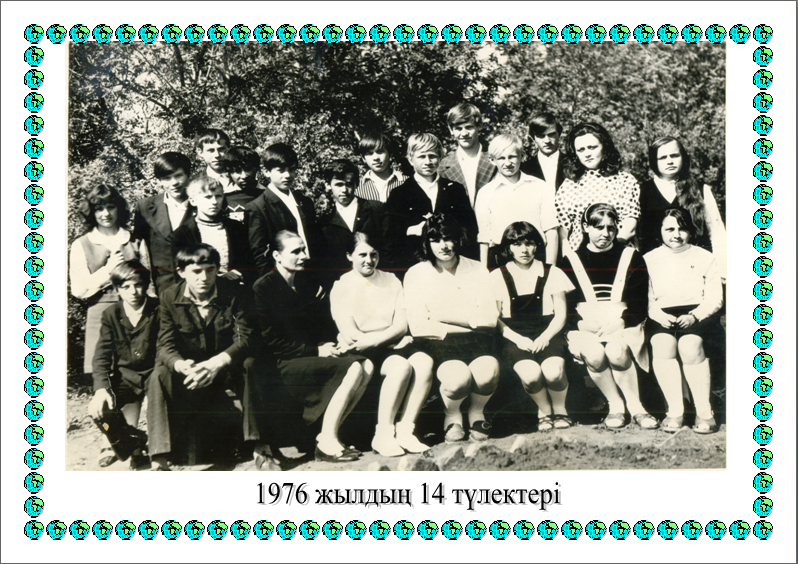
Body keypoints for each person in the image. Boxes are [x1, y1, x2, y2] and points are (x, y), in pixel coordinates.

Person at [253, 231, 373, 462]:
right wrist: (316, 350)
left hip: (307, 356)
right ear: (277, 256)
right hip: (283, 362)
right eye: (296, 251)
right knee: (353, 368)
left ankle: (328, 436)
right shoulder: (264, 287)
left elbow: (316, 325)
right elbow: (271, 342)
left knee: (366, 365)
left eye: (303, 249)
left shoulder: (305, 282)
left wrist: (328, 343)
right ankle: (327, 442)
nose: (303, 256)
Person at [146, 244, 265, 470]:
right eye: (196, 272)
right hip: (191, 373)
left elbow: (246, 338)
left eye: (210, 270)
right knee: (159, 375)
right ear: (182, 272)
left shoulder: (234, 293)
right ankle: (159, 459)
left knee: (250, 364)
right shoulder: (169, 297)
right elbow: (165, 344)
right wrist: (181, 365)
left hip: (227, 369)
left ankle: (260, 446)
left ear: (218, 270)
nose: (204, 278)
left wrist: (216, 363)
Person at [331, 232, 434, 456]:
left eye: (374, 254)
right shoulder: (341, 286)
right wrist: (388, 342)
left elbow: (401, 325)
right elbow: (351, 335)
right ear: (349, 256)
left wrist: (386, 340)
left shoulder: (391, 280)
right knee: (400, 366)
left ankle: (406, 431)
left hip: (389, 343)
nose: (369, 260)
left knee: (424, 361)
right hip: (364, 350)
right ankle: (383, 435)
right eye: (362, 255)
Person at [558, 204, 658, 430]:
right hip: (586, 325)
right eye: (598, 227)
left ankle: (637, 407)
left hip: (623, 322)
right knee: (594, 354)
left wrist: (620, 322)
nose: (605, 233)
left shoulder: (631, 256)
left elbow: (639, 303)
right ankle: (615, 405)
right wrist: (580, 324)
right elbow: (565, 305)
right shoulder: (569, 260)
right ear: (585, 227)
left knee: (616, 351)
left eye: (611, 228)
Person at [403, 214, 500, 443]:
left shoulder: (477, 269)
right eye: (436, 240)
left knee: (488, 372)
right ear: (427, 242)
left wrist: (441, 317)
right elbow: (418, 326)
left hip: (477, 342)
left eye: (448, 238)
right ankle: (452, 417)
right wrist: (470, 323)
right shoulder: (416, 273)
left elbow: (489, 319)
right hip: (438, 343)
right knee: (457, 379)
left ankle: (476, 413)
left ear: (458, 239)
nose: (444, 246)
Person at [645, 208, 724, 434]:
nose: (676, 235)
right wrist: (660, 316)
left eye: (682, 229)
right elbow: (647, 298)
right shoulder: (649, 259)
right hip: (663, 316)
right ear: (660, 231)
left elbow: (715, 298)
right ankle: (675, 410)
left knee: (689, 345)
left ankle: (704, 411)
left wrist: (694, 316)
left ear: (691, 231)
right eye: (670, 229)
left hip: (699, 314)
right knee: (662, 344)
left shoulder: (705, 257)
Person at [491, 222, 573, 430]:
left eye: (529, 244)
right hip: (514, 336)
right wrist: (518, 339)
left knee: (553, 372)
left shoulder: (552, 272)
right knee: (531, 375)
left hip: (548, 332)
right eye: (517, 244)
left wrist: (545, 337)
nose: (524, 250)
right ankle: (544, 410)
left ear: (537, 245)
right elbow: (495, 318)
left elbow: (561, 315)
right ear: (508, 248)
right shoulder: (497, 275)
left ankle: (560, 409)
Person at [70, 184, 148, 376]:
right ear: (91, 212)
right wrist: (108, 270)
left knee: (138, 372)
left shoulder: (135, 240)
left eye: (111, 207)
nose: (106, 213)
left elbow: (150, 283)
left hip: (135, 313)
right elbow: (78, 290)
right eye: (99, 209)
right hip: (100, 315)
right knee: (104, 375)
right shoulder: (81, 244)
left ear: (119, 209)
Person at [88, 260, 158, 469]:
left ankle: (143, 449)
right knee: (101, 413)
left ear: (146, 285)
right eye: (126, 287)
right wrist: (101, 389)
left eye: (138, 285)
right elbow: (101, 355)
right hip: (126, 379)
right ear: (117, 289)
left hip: (154, 375)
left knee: (160, 409)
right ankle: (131, 442)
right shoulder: (111, 314)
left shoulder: (159, 309)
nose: (133, 292)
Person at [383, 133, 479, 274]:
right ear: (410, 159)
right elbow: (390, 236)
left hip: (452, 265)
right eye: (421, 156)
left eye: (432, 156)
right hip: (415, 266)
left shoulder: (455, 190)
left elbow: (469, 229)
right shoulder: (399, 194)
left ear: (440, 158)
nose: (428, 161)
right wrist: (411, 230)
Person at [639, 137, 727, 281]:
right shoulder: (641, 191)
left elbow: (717, 233)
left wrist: (722, 271)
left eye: (674, 155)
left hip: (698, 271)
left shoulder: (700, 189)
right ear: (654, 161)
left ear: (683, 157)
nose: (669, 161)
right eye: (663, 157)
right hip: (657, 273)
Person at [474, 133, 559, 268]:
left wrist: (551, 268)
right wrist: (484, 271)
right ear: (492, 160)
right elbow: (484, 237)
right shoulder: (485, 193)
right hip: (501, 259)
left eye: (512, 157)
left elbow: (551, 231)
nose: (508, 163)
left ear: (522, 156)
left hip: (535, 256)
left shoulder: (540, 186)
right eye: (501, 158)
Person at [554, 122, 641, 253]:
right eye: (581, 150)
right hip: (580, 255)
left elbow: (630, 225)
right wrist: (570, 257)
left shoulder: (625, 181)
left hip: (618, 252)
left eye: (592, 147)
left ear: (604, 147)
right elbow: (563, 231)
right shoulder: (568, 185)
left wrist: (607, 252)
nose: (587, 154)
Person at [245, 143, 320, 276]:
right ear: (266, 172)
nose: (287, 175)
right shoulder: (258, 207)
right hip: (282, 277)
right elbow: (260, 255)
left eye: (291, 169)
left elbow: (315, 242)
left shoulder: (305, 202)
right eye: (280, 170)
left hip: (311, 273)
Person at [171, 174, 255, 287]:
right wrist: (218, 277)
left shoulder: (237, 228)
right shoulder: (183, 234)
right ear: (193, 201)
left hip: (234, 288)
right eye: (208, 197)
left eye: (218, 196)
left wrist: (239, 273)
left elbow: (249, 263)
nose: (214, 202)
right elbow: (181, 272)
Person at [132, 151, 193, 293]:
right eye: (166, 178)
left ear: (188, 174)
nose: (174, 183)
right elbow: (138, 248)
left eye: (179, 175)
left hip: (198, 284)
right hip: (163, 288)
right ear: (159, 181)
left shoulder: (203, 203)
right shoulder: (145, 207)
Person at [319, 159, 383, 285]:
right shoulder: (324, 222)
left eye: (348, 184)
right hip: (343, 285)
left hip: (377, 282)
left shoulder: (376, 209)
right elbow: (325, 261)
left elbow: (388, 249)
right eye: (338, 184)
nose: (344, 189)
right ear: (328, 185)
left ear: (356, 184)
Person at [438, 102, 497, 207]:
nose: (464, 133)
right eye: (458, 128)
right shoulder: (443, 165)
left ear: (479, 126)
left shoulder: (496, 159)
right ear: (451, 130)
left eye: (469, 127)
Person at [355, 131, 408, 203]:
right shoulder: (357, 188)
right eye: (369, 153)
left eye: (380, 152)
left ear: (390, 153)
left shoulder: (407, 182)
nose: (376, 158)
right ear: (363, 158)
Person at [520, 112, 566, 191]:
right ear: (533, 138)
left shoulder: (572, 163)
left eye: (551, 135)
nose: (547, 141)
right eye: (541, 136)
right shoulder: (524, 169)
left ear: (559, 134)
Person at [223, 145, 267, 223]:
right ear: (229, 172)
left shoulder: (267, 195)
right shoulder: (223, 197)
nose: (244, 176)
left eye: (248, 169)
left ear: (257, 168)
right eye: (237, 171)